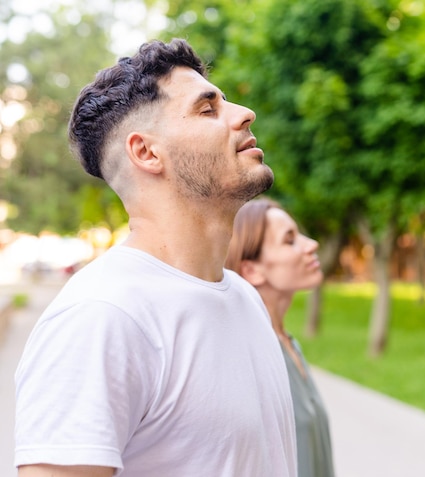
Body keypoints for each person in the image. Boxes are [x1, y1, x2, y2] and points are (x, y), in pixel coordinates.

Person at [14, 39, 297, 477]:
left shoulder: (243, 296)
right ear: (147, 152)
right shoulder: (102, 317)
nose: (244, 113)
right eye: (208, 108)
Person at [226, 198, 336, 477]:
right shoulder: (247, 360)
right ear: (252, 270)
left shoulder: (289, 344)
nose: (311, 244)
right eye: (290, 241)